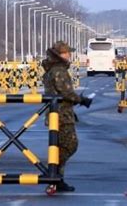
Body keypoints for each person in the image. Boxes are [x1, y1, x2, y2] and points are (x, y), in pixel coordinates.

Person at [42, 41, 93, 192]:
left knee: (59, 147)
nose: (69, 55)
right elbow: (65, 92)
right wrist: (81, 100)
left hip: (56, 113)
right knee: (70, 145)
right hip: (61, 114)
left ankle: (57, 179)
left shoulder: (52, 69)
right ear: (60, 55)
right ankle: (53, 173)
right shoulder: (59, 70)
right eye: (66, 53)